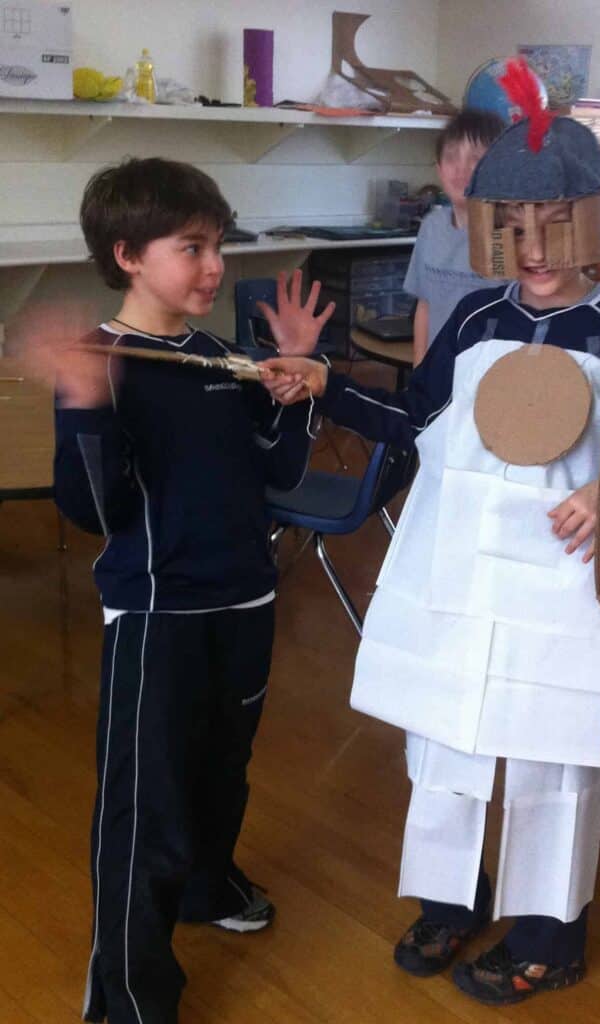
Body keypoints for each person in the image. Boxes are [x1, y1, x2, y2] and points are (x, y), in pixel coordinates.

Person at [258, 59, 600, 1008]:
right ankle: (451, 897)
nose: (532, 247)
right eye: (511, 227)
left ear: (590, 220)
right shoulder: (473, 317)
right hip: (460, 567)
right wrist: (333, 385)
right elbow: (421, 428)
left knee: (549, 752)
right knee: (444, 743)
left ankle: (549, 931)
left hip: (562, 584)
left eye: (551, 225)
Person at [28, 157, 332, 1024]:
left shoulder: (217, 358)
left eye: (218, 245)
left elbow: (277, 474)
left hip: (246, 601)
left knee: (221, 770)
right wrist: (85, 404)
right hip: (158, 616)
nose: (214, 267)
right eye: (191, 247)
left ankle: (207, 884)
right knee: (145, 802)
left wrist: (294, 379)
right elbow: (94, 510)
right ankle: (128, 994)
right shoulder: (104, 361)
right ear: (127, 254)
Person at [404, 108, 505, 365]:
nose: (462, 168)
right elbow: (424, 306)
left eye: (475, 157)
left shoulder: (509, 233)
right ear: (439, 169)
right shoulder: (431, 227)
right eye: (451, 157)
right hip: (439, 372)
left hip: (493, 376)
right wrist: (420, 370)